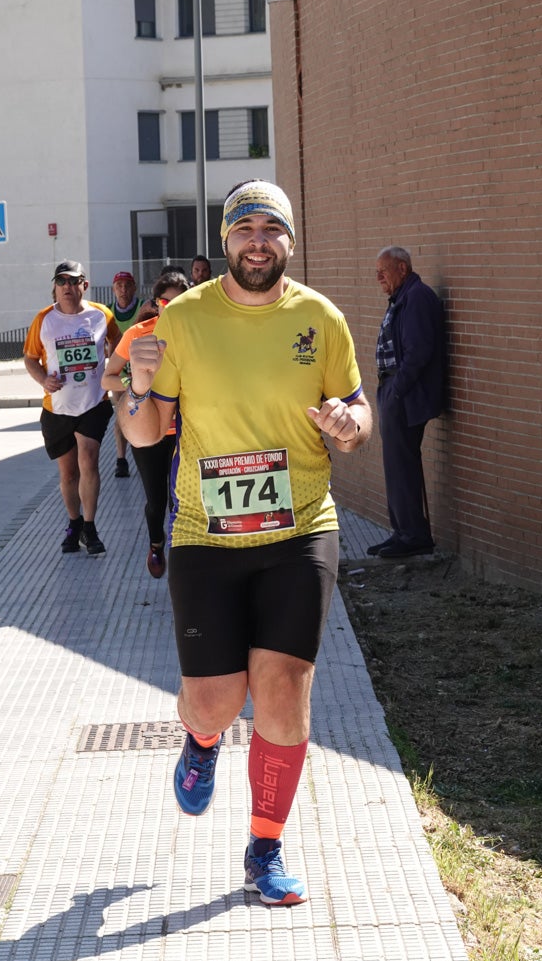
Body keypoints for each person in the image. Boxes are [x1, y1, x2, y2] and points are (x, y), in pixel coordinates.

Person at [119, 179, 371, 905]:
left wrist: (352, 426)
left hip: (298, 529)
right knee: (213, 703)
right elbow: (144, 433)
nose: (256, 240)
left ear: (288, 240)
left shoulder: (319, 318)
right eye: (243, 228)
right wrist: (135, 388)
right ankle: (200, 744)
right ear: (225, 240)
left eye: (270, 227)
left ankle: (265, 847)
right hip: (206, 535)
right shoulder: (185, 318)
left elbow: (356, 410)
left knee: (283, 695)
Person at [23, 260, 120, 555]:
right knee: (67, 474)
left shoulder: (101, 314)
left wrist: (112, 370)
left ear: (84, 286)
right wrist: (43, 380)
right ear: (54, 287)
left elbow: (117, 342)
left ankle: (90, 528)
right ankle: (74, 522)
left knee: (88, 460)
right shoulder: (44, 320)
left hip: (93, 402)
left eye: (73, 281)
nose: (67, 286)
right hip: (58, 408)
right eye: (61, 281)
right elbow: (29, 358)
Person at [102, 269, 190, 578]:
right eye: (167, 303)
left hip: (187, 432)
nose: (173, 309)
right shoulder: (139, 333)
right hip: (149, 431)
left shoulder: (197, 335)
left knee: (182, 497)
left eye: (181, 303)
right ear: (156, 302)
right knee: (156, 499)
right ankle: (156, 544)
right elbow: (107, 377)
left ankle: (182, 555)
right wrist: (135, 384)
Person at [367, 246, 446, 559]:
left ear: (402, 267)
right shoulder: (403, 297)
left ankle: (413, 535)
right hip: (395, 392)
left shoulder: (416, 298)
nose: (378, 278)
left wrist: (397, 391)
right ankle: (402, 531)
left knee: (402, 464)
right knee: (395, 465)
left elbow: (419, 351)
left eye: (383, 271)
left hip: (404, 395)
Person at [107, 271, 145, 479]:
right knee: (122, 414)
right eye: (119, 285)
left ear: (134, 287)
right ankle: (121, 460)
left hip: (142, 372)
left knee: (142, 414)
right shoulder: (109, 313)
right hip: (120, 373)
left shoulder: (143, 308)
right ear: (114, 289)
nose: (123, 289)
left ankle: (144, 454)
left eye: (127, 285)